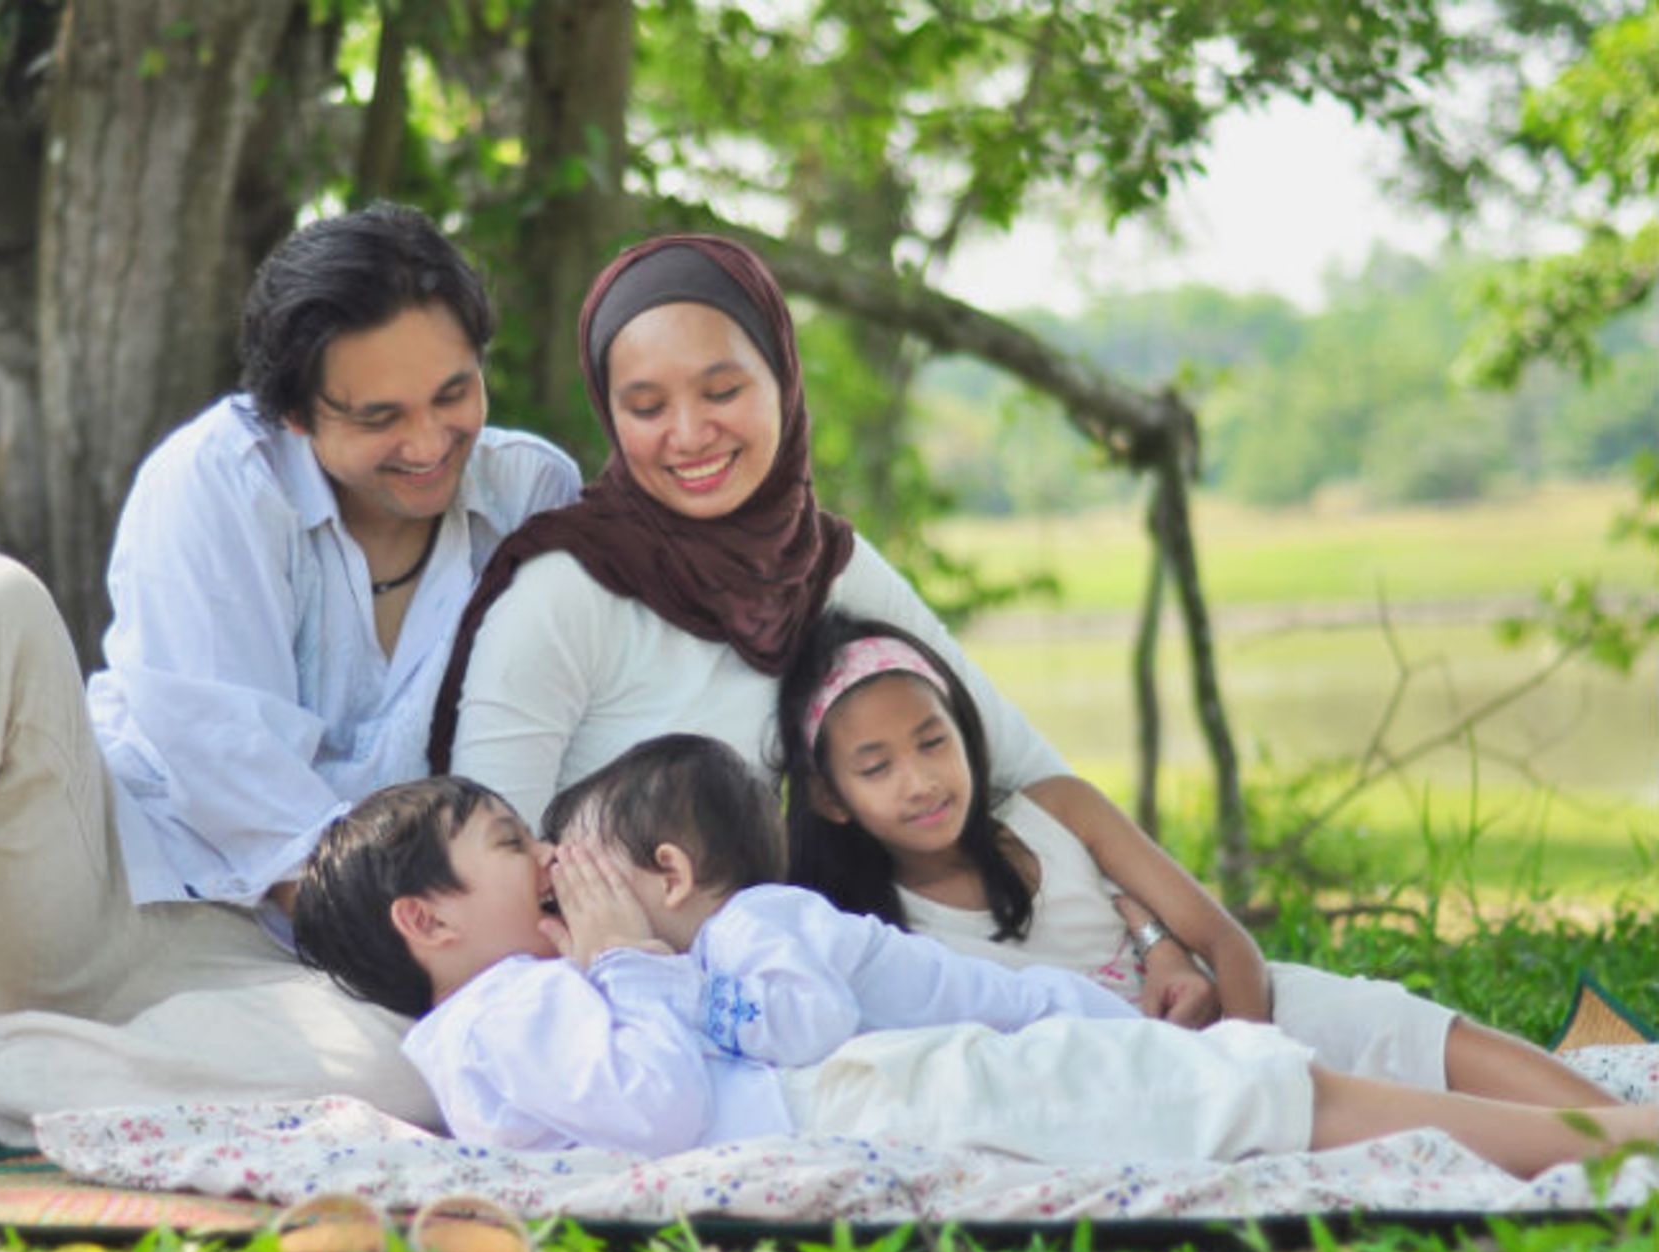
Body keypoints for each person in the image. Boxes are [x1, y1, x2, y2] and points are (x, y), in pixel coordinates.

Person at [0, 202, 580, 1162]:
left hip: (298, 992)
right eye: (378, 417)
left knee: (426, 1069)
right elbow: (223, 773)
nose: (428, 441)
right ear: (295, 415)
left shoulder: (533, 496)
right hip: (90, 900)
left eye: (453, 394)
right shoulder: (217, 479)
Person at [291, 738, 1657, 1176]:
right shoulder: (502, 1012)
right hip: (868, 1099)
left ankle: (1603, 1135)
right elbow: (655, 1103)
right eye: (510, 844)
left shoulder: (543, 991)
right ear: (428, 921)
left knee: (1245, 1085)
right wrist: (626, 962)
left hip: (883, 1084)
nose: (548, 859)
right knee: (1241, 1089)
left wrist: (626, 962)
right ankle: (1605, 1141)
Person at [777, 610, 1620, 1108]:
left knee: (1389, 1024)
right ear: (830, 797)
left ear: (966, 734)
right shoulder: (871, 934)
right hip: (1149, 1095)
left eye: (934, 742)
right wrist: (1239, 1093)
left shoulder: (1057, 810)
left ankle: (1625, 1132)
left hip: (1249, 1020)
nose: (921, 781)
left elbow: (1225, 941)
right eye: (877, 767)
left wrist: (1251, 1053)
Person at [425, 233, 1061, 831]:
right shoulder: (563, 593)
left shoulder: (819, 566)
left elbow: (1020, 765)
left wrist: (1120, 897)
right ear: (610, 415)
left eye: (723, 391)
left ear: (783, 381)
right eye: (647, 408)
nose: (689, 434)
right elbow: (485, 859)